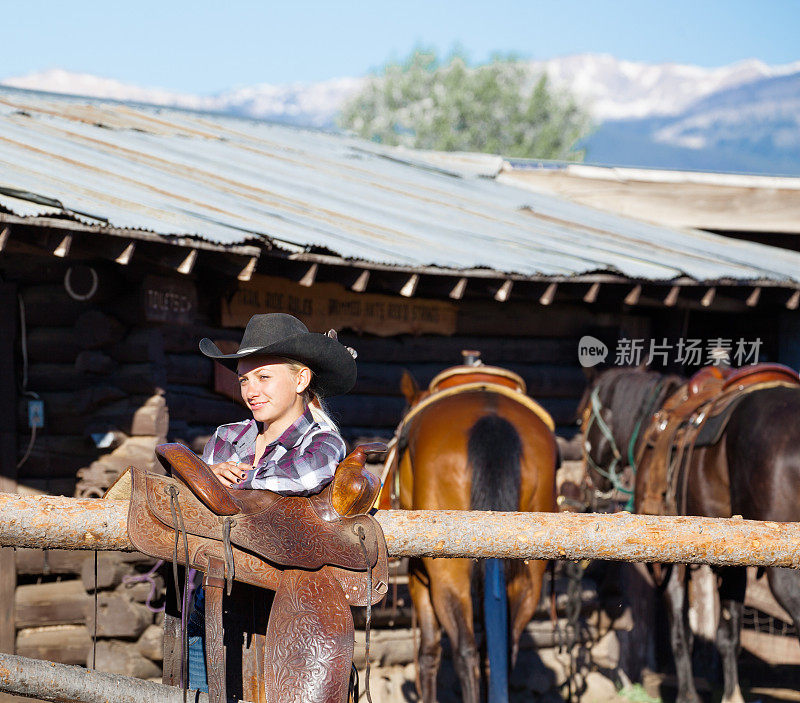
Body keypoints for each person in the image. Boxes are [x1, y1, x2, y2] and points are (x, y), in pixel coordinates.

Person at [185, 312, 357, 692]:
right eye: (245, 379)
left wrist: (217, 479)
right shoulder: (228, 437)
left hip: (285, 606)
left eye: (264, 377)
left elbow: (304, 477)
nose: (251, 390)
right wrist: (203, 477)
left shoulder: (323, 443)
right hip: (216, 597)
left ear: (301, 379)